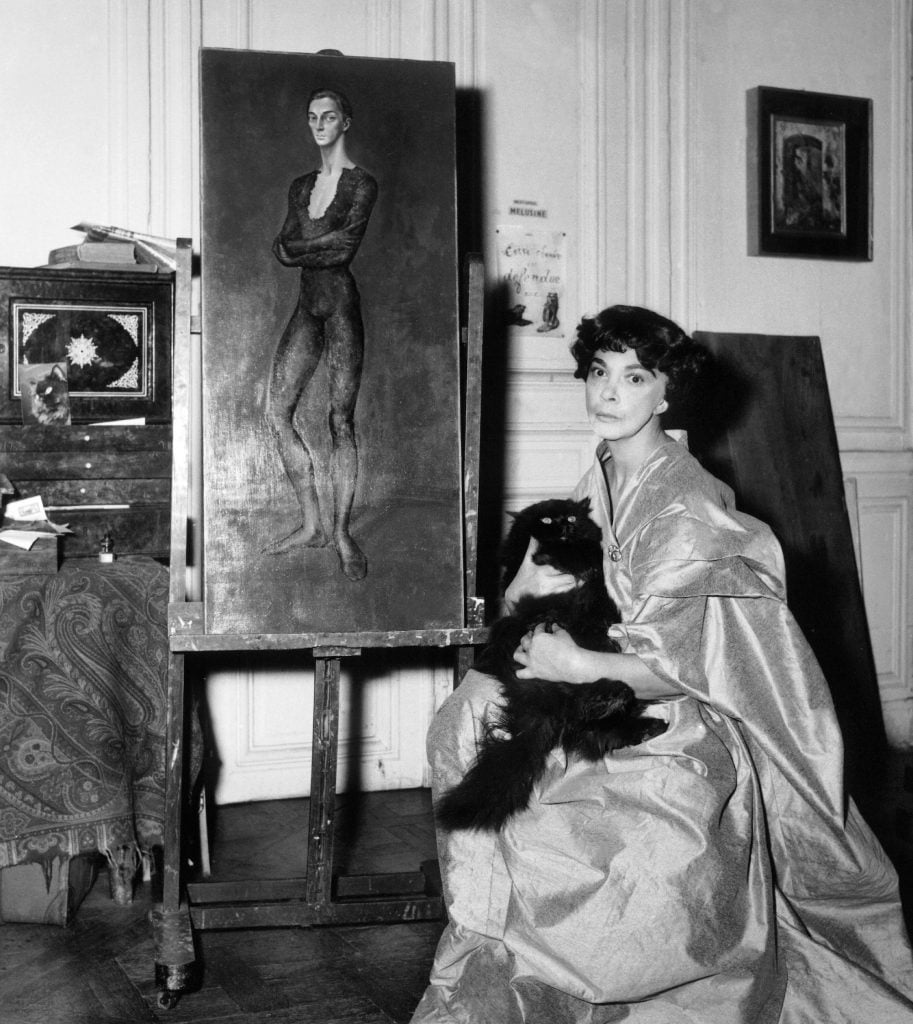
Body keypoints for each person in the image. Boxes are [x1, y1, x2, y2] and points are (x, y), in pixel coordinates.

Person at [412, 305, 913, 1023]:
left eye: (633, 377)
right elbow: (563, 582)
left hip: (668, 723)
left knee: (592, 818)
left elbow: (681, 666)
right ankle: (498, 930)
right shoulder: (605, 469)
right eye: (597, 372)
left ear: (666, 392)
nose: (608, 393)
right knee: (463, 719)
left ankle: (617, 969)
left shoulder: (686, 504)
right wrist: (528, 596)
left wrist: (575, 662)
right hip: (596, 688)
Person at [264, 87, 378, 581]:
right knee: (277, 411)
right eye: (312, 116)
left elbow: (342, 250)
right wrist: (313, 246)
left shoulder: (361, 184)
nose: (319, 124)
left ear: (345, 123)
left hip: (341, 308)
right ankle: (312, 523)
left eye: (328, 117)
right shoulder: (300, 186)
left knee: (340, 421)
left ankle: (342, 533)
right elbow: (280, 248)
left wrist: (307, 247)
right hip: (308, 306)